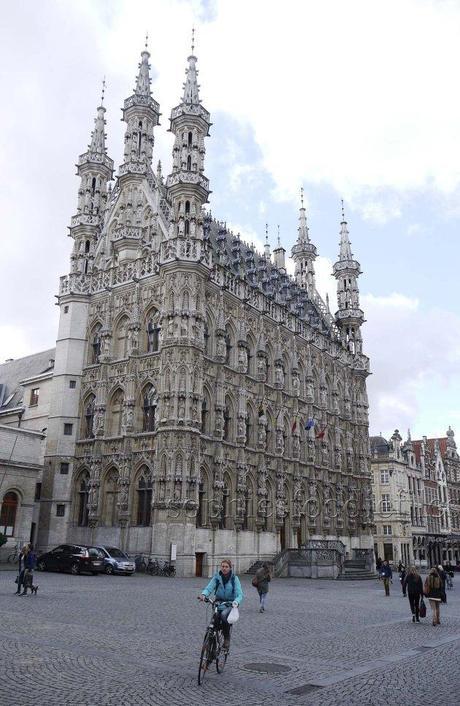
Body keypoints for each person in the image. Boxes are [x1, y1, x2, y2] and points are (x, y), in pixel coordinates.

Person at [199, 559, 243, 651]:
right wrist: (204, 595)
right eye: (222, 566)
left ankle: (226, 638)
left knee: (223, 616)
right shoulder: (217, 577)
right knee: (213, 623)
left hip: (229, 604)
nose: (224, 568)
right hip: (218, 603)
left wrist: (236, 601)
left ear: (230, 568)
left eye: (226, 567)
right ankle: (209, 645)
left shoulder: (234, 579)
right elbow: (209, 587)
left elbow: (239, 594)